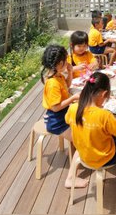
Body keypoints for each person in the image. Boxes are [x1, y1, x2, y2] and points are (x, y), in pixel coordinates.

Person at [65, 72, 116, 180]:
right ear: (104, 94)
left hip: (84, 154)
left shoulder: (73, 108)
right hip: (105, 157)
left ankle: (71, 177)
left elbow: (67, 120)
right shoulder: (104, 115)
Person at [41, 45, 86, 188]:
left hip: (63, 116)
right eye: (65, 60)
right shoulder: (52, 83)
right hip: (57, 120)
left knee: (82, 126)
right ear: (58, 63)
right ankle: (71, 178)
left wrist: (70, 72)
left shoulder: (57, 75)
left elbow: (67, 86)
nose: (67, 62)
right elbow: (56, 107)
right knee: (83, 141)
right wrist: (73, 99)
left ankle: (72, 152)